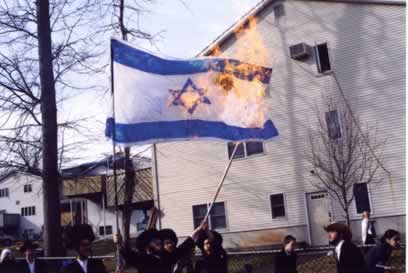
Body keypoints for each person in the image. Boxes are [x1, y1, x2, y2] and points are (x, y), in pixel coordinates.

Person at [114, 223, 205, 273]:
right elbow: (129, 255)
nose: (159, 241)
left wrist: (197, 231)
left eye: (158, 239)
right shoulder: (142, 259)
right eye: (154, 240)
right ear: (147, 247)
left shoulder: (166, 258)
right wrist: (119, 242)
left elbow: (184, 246)